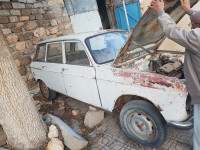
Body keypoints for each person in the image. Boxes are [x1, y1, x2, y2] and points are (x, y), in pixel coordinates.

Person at [150, 0, 200, 149]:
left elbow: (172, 30)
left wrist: (160, 12)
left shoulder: (197, 37)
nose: (192, 29)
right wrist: (189, 11)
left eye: (192, 26)